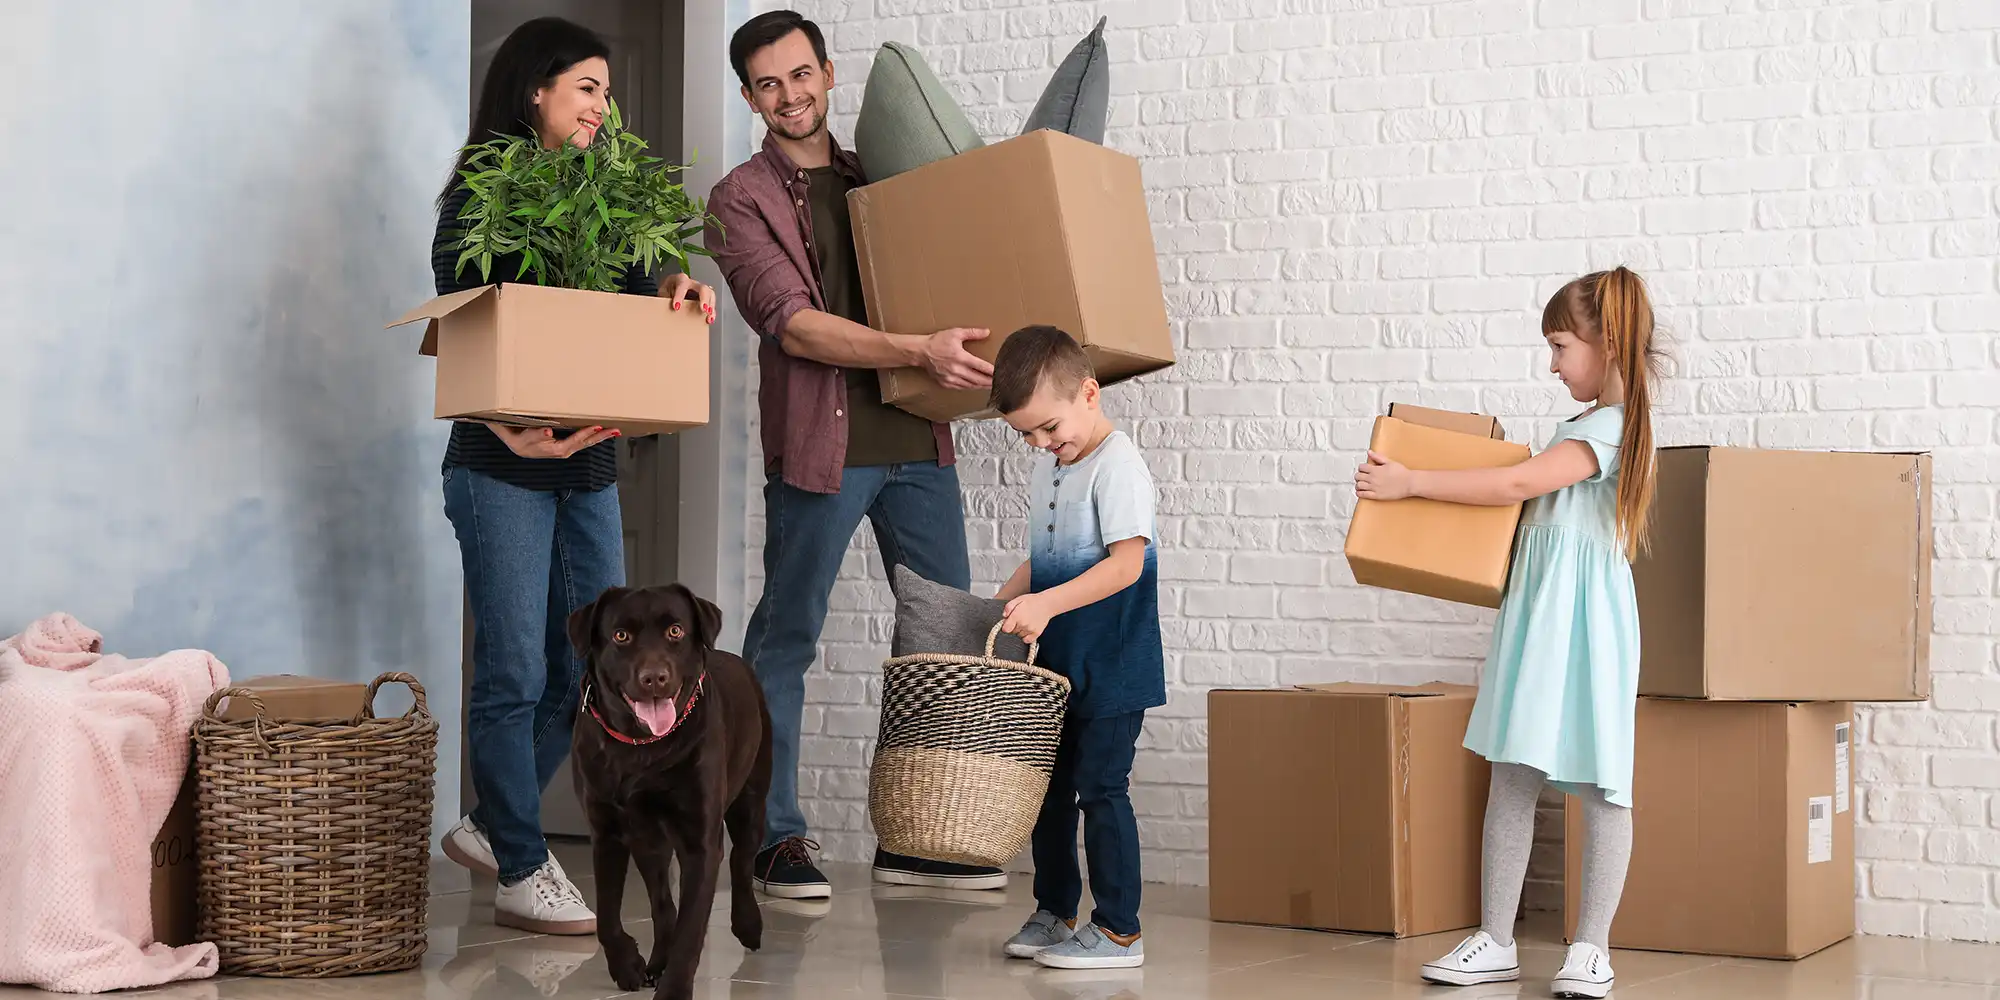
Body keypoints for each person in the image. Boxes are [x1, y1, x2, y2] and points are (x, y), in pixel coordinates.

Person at [706, 9, 1008, 901]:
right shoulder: (738, 200)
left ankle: (922, 837)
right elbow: (794, 327)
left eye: (801, 75)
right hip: (820, 452)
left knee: (947, 639)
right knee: (786, 639)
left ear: (829, 75)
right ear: (749, 96)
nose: (789, 95)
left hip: (919, 440)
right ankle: (772, 837)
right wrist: (917, 349)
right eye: (768, 83)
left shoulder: (884, 175)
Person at [429, 16, 718, 937]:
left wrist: (679, 285)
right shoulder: (480, 199)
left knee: (596, 668)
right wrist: (505, 425)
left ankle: (488, 824)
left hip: (588, 460)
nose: (603, 104)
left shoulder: (610, 198)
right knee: (515, 669)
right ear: (535, 93)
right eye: (587, 87)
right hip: (497, 467)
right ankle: (521, 864)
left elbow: (643, 295)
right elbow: (467, 324)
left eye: (604, 89)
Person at [1356, 268, 1663, 1000]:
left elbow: (1518, 486)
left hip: (1586, 622)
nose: (1553, 363)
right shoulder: (1584, 427)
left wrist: (1412, 482)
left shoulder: (1610, 431)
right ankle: (1495, 937)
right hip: (1542, 614)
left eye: (1560, 345)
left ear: (1607, 343)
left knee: (1602, 782)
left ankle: (1592, 948)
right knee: (1514, 769)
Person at [989, 326, 1164, 972]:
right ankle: (1055, 909)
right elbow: (1046, 563)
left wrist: (1047, 606)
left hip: (1114, 665)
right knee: (1049, 788)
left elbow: (1125, 566)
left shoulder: (1118, 465)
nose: (1039, 444)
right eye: (1027, 435)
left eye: (1049, 428)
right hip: (1059, 669)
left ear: (1089, 394)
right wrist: (1001, 604)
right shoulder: (1051, 468)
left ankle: (1120, 929)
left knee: (1101, 786)